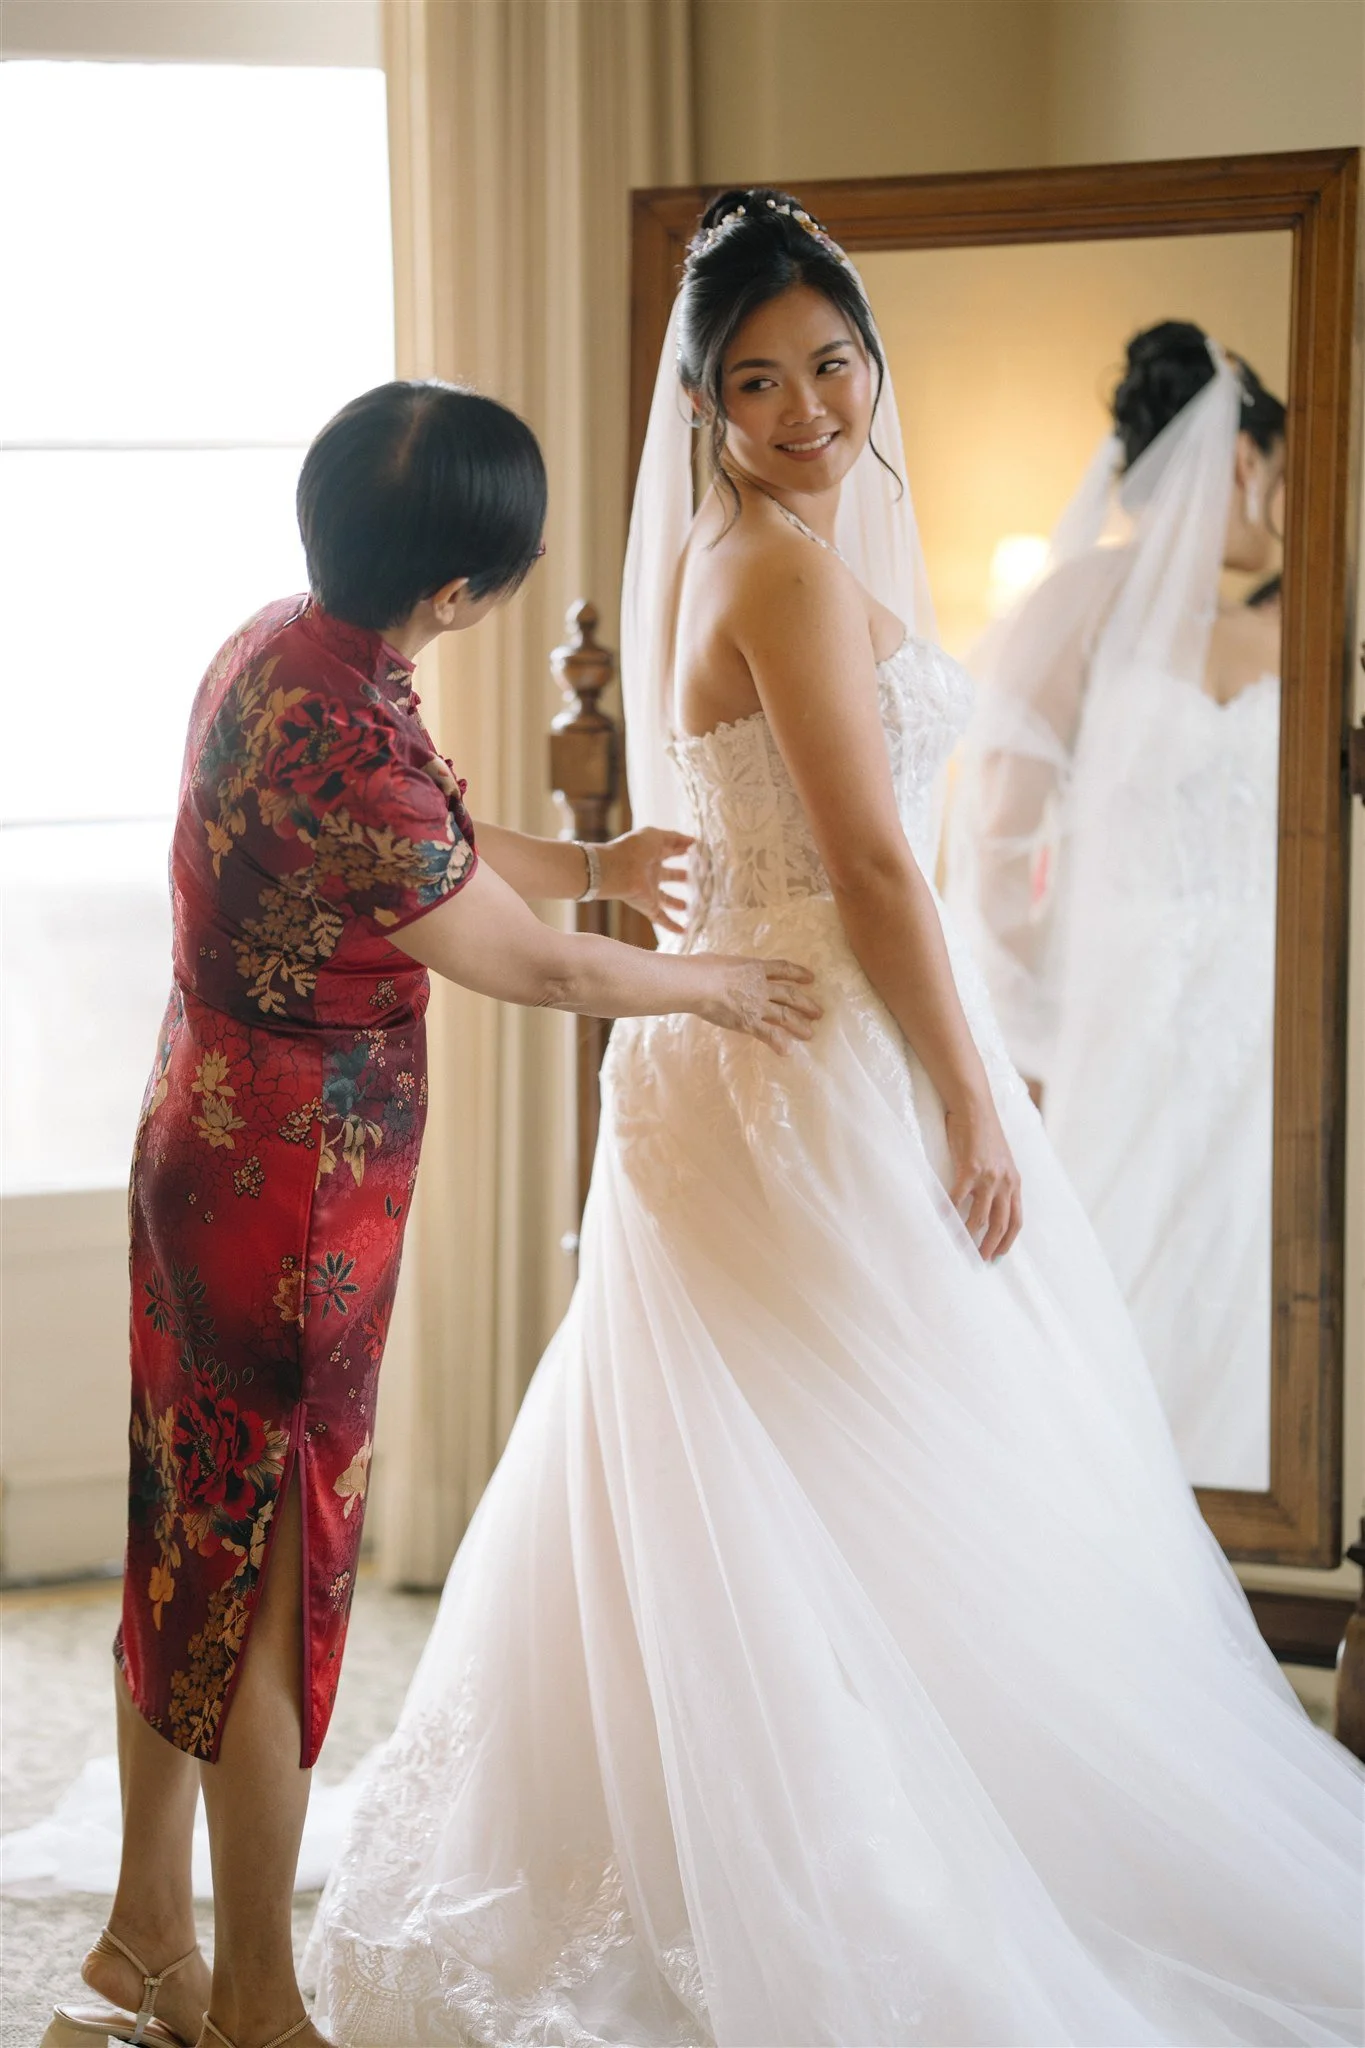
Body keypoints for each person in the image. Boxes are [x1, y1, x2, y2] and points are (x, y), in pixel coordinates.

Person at [307, 198, 1362, 2046]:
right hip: (806, 1040)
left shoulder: (771, 540)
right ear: (703, 404)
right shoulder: (779, 568)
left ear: (874, 361)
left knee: (811, 1463)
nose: (807, 405)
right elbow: (873, 861)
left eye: (833, 364)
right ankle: (844, 1867)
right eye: (758, 380)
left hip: (761, 1041)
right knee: (861, 1459)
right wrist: (971, 1085)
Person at [45, 378, 816, 2048]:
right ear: (462, 590)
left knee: (189, 1534)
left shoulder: (286, 650)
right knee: (269, 1578)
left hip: (207, 1138)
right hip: (296, 1195)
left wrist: (595, 862)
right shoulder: (347, 724)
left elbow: (443, 852)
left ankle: (142, 1939)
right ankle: (250, 1992)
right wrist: (715, 984)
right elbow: (514, 958)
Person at [947, 321, 1285, 1490]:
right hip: (1120, 998)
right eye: (1275, 474)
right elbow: (997, 829)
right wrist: (1027, 1016)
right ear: (1243, 460)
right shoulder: (1081, 603)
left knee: (1248, 1269)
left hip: (1267, 1004)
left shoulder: (1293, 619)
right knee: (1115, 1263)